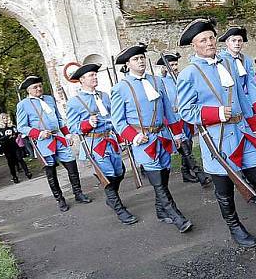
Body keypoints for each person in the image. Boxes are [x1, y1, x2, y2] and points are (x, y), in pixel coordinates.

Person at [176, 19, 256, 247]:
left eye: (211, 38)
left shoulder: (228, 61)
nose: (209, 43)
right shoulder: (189, 74)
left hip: (243, 131)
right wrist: (216, 113)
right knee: (225, 190)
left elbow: (243, 96)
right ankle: (235, 228)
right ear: (194, 46)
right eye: (203, 40)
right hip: (218, 138)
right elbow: (185, 110)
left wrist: (255, 125)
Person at [110, 44, 192, 233]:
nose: (140, 62)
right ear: (128, 64)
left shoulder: (157, 81)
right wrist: (133, 136)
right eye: (135, 59)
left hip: (163, 136)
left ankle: (160, 211)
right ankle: (176, 216)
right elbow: (118, 120)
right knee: (157, 182)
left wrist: (177, 133)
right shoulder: (120, 88)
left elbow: (169, 112)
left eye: (141, 58)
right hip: (143, 140)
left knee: (163, 178)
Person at [66, 63, 137, 225]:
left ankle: (112, 199)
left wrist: (121, 136)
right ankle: (119, 209)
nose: (95, 77)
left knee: (119, 172)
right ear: (82, 79)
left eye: (95, 75)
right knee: (107, 176)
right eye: (91, 75)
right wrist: (87, 123)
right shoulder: (74, 102)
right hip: (94, 143)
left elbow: (114, 117)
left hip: (110, 140)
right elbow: (72, 127)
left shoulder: (104, 96)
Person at [16, 76, 92, 211]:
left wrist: (67, 133)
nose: (39, 88)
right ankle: (60, 199)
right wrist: (38, 133)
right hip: (43, 141)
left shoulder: (49, 99)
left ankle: (78, 194)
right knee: (51, 172)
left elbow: (59, 118)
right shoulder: (23, 105)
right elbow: (22, 127)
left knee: (72, 165)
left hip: (59, 137)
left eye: (40, 86)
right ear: (28, 90)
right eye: (35, 87)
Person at [157, 52, 211, 186]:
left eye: (176, 64)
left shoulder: (181, 78)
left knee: (189, 145)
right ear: (164, 67)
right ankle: (199, 173)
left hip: (185, 117)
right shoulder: (161, 82)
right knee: (184, 147)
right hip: (174, 119)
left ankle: (185, 172)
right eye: (171, 65)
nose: (174, 67)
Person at [0, 113, 32, 183]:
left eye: (6, 118)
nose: (6, 120)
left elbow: (16, 133)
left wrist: (12, 136)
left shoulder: (12, 126)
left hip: (14, 145)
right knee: (11, 162)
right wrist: (8, 137)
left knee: (20, 158)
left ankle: (27, 172)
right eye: (4, 118)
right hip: (6, 147)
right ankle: (14, 176)